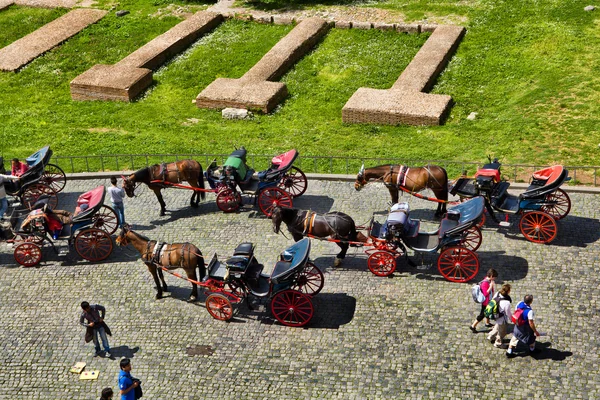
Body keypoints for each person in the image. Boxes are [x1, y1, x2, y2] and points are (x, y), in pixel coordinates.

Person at [470, 268, 498, 332]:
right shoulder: (485, 283)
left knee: (488, 312)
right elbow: (485, 293)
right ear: (491, 276)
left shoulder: (489, 281)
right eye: (494, 277)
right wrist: (491, 286)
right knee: (482, 314)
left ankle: (487, 323)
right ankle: (473, 326)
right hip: (485, 302)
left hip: (489, 300)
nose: (494, 279)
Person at [486, 283, 512, 348]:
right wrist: (512, 320)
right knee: (502, 332)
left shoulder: (497, 293)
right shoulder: (506, 302)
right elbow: (508, 313)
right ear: (508, 291)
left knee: (497, 326)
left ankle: (491, 336)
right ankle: (498, 342)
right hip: (502, 318)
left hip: (495, 315)